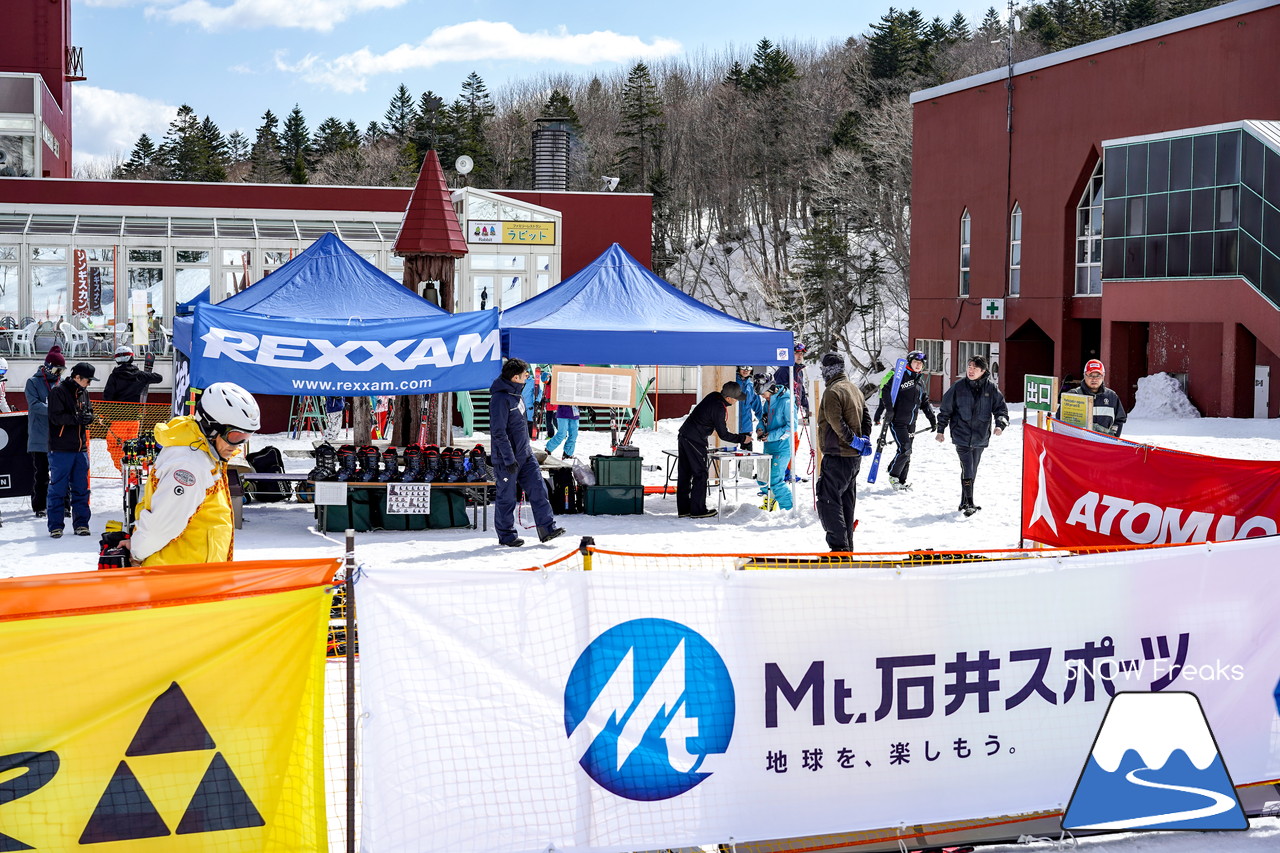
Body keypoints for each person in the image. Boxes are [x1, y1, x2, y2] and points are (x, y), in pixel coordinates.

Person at [128, 382, 260, 566]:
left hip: (192, 573)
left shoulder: (204, 453)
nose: (237, 446)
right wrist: (136, 552)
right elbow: (160, 527)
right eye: (236, 437)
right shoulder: (189, 465)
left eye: (247, 437)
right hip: (178, 577)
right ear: (211, 428)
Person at [489, 358, 565, 547]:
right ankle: (507, 536)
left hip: (525, 455)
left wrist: (527, 452)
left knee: (539, 490)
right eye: (525, 374)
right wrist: (508, 458)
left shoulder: (518, 395)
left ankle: (547, 528)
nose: (528, 376)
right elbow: (498, 432)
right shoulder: (500, 399)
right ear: (515, 377)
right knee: (506, 498)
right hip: (507, 459)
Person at [936, 355, 1009, 517]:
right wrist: (940, 430)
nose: (971, 370)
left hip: (981, 436)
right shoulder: (958, 387)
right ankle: (969, 503)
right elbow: (945, 409)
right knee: (968, 466)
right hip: (961, 434)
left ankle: (963, 501)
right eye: (969, 367)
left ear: (983, 371)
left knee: (971, 469)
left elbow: (1001, 410)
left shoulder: (990, 389)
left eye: (975, 368)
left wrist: (1000, 425)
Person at [814, 352, 872, 551]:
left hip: (838, 456)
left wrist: (854, 441)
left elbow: (836, 423)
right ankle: (848, 550)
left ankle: (839, 550)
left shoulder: (833, 391)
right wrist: (865, 439)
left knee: (828, 502)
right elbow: (867, 417)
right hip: (853, 460)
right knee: (846, 504)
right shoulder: (854, 388)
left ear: (828, 371)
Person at [676, 381, 753, 520]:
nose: (737, 401)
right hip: (694, 439)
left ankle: (684, 509)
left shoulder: (714, 396)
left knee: (685, 473)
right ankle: (698, 510)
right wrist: (743, 439)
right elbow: (723, 434)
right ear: (729, 398)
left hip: (684, 435)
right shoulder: (719, 408)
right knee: (700, 474)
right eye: (736, 398)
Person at [874, 350, 938, 491]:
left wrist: (932, 419)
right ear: (909, 363)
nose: (918, 365)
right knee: (905, 449)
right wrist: (889, 409)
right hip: (897, 421)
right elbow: (885, 391)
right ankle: (894, 475)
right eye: (915, 362)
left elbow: (925, 403)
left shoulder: (920, 382)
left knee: (907, 452)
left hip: (911, 423)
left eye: (920, 363)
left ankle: (901, 480)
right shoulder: (900, 376)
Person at [46, 362, 98, 538]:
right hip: (61, 448)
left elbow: (88, 412)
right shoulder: (58, 391)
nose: (89, 383)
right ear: (77, 377)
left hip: (80, 448)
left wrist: (88, 417)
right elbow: (55, 417)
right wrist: (77, 418)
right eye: (87, 380)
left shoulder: (84, 392)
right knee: (58, 489)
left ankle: (81, 524)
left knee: (81, 489)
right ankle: (55, 526)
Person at [25, 347, 64, 518]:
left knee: (62, 475)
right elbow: (34, 405)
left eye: (61, 370)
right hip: (40, 437)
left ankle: (64, 506)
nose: (58, 373)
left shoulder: (61, 383)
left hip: (60, 437)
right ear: (47, 366)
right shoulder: (33, 382)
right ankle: (39, 506)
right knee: (41, 474)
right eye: (56, 369)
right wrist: (54, 410)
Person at [1058, 358, 1128, 437]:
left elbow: (1119, 420)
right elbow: (1060, 419)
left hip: (1103, 444)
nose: (1094, 379)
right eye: (1090, 375)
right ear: (1085, 375)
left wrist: (1114, 437)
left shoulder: (1112, 396)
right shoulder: (1073, 395)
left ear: (1103, 376)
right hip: (1079, 444)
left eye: (1098, 375)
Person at [756, 380, 794, 511]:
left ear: (771, 388)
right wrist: (760, 429)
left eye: (764, 393)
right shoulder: (767, 402)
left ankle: (789, 509)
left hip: (781, 447)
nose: (763, 396)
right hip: (768, 447)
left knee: (775, 481)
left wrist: (771, 436)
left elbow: (791, 427)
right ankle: (770, 503)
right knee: (762, 478)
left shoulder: (786, 402)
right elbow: (763, 419)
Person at [773, 343, 810, 416]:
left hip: (794, 409)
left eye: (801, 353)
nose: (800, 356)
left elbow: (801, 390)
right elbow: (779, 391)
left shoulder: (799, 371)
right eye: (796, 353)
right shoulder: (783, 370)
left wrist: (806, 406)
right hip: (783, 410)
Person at [520, 363, 543, 437]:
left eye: (527, 373)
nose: (526, 375)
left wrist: (537, 401)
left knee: (529, 422)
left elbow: (539, 392)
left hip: (529, 406)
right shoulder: (519, 381)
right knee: (520, 423)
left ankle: (531, 435)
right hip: (519, 405)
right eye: (524, 373)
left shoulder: (532, 382)